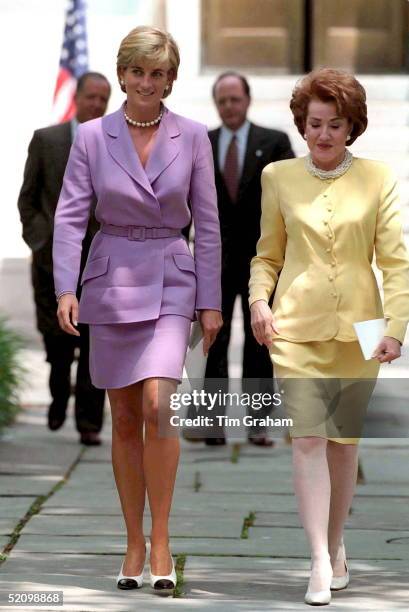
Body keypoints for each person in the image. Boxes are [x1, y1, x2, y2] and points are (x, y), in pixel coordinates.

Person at [53, 26, 222, 591]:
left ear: (171, 80)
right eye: (138, 71)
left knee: (158, 405)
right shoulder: (91, 137)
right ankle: (132, 543)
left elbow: (210, 226)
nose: (147, 82)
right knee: (123, 416)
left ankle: (164, 539)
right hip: (111, 280)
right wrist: (64, 288)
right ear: (123, 73)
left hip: (173, 279)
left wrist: (211, 301)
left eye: (159, 73)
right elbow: (71, 217)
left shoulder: (194, 136)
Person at [249, 68, 409, 605]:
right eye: (314, 124)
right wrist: (256, 301)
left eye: (334, 125)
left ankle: (337, 544)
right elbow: (267, 255)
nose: (322, 135)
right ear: (302, 124)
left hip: (362, 331)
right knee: (309, 440)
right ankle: (318, 558)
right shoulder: (277, 177)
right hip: (293, 328)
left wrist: (396, 327)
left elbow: (395, 261)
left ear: (351, 126)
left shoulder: (378, 177)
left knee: (344, 447)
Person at [17, 72, 111, 445]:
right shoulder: (48, 140)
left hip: (100, 262)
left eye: (104, 99)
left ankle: (89, 423)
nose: (97, 105)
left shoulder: (113, 143)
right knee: (58, 342)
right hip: (51, 261)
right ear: (78, 97)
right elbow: (28, 198)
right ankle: (59, 390)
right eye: (91, 97)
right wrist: (41, 241)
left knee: (95, 343)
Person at [202, 71, 295, 447]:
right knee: (214, 340)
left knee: (260, 341)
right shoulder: (201, 143)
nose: (229, 107)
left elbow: (291, 201)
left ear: (248, 100)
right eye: (222, 101)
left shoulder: (273, 143)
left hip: (262, 261)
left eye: (234, 99)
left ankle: (258, 424)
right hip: (214, 262)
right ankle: (211, 423)